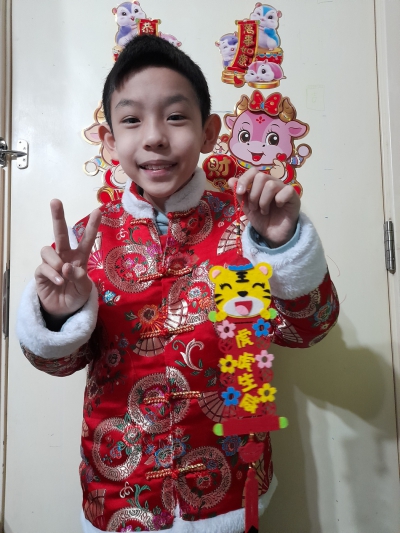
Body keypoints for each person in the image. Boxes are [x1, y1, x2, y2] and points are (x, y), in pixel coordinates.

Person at [16, 35, 339, 533]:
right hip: (120, 490)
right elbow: (55, 363)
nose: (154, 137)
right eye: (131, 120)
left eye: (174, 116)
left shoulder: (243, 231)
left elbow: (303, 332)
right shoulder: (86, 244)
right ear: (108, 141)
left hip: (229, 485)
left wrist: (282, 247)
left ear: (209, 132)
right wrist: (58, 314)